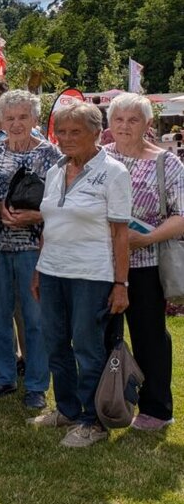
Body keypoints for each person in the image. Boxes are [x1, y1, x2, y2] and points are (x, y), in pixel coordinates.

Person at [31, 101, 131, 447]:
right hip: (53, 271)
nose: (66, 138)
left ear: (95, 133)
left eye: (76, 132)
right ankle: (68, 409)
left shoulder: (114, 172)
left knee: (88, 348)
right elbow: (49, 224)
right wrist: (40, 269)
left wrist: (121, 283)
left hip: (92, 274)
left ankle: (94, 420)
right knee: (55, 344)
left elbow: (121, 233)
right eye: (61, 131)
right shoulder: (56, 171)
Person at [105, 92, 184, 431]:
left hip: (147, 263)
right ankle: (106, 401)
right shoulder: (98, 158)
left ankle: (156, 408)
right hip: (101, 264)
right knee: (103, 336)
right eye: (118, 119)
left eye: (133, 120)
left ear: (148, 125)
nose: (124, 126)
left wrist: (146, 238)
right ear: (109, 124)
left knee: (149, 335)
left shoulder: (167, 163)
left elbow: (182, 215)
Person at [0, 90, 60, 409]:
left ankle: (37, 385)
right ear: (1, 120)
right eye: (10, 118)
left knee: (35, 317)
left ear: (35, 119)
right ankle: (3, 378)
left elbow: (63, 204)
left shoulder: (52, 155)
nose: (16, 124)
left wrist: (36, 215)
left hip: (35, 246)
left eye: (23, 117)